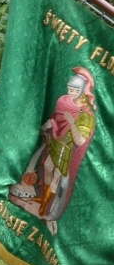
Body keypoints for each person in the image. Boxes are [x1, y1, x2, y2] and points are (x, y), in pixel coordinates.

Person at [8, 67, 96, 235]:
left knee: (57, 178)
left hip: (66, 150)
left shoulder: (85, 116)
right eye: (69, 89)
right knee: (47, 168)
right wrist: (48, 125)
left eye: (74, 90)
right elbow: (56, 117)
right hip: (54, 143)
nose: (70, 93)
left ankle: (46, 209)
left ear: (81, 91)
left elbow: (80, 141)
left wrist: (71, 122)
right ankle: (44, 199)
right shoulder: (64, 101)